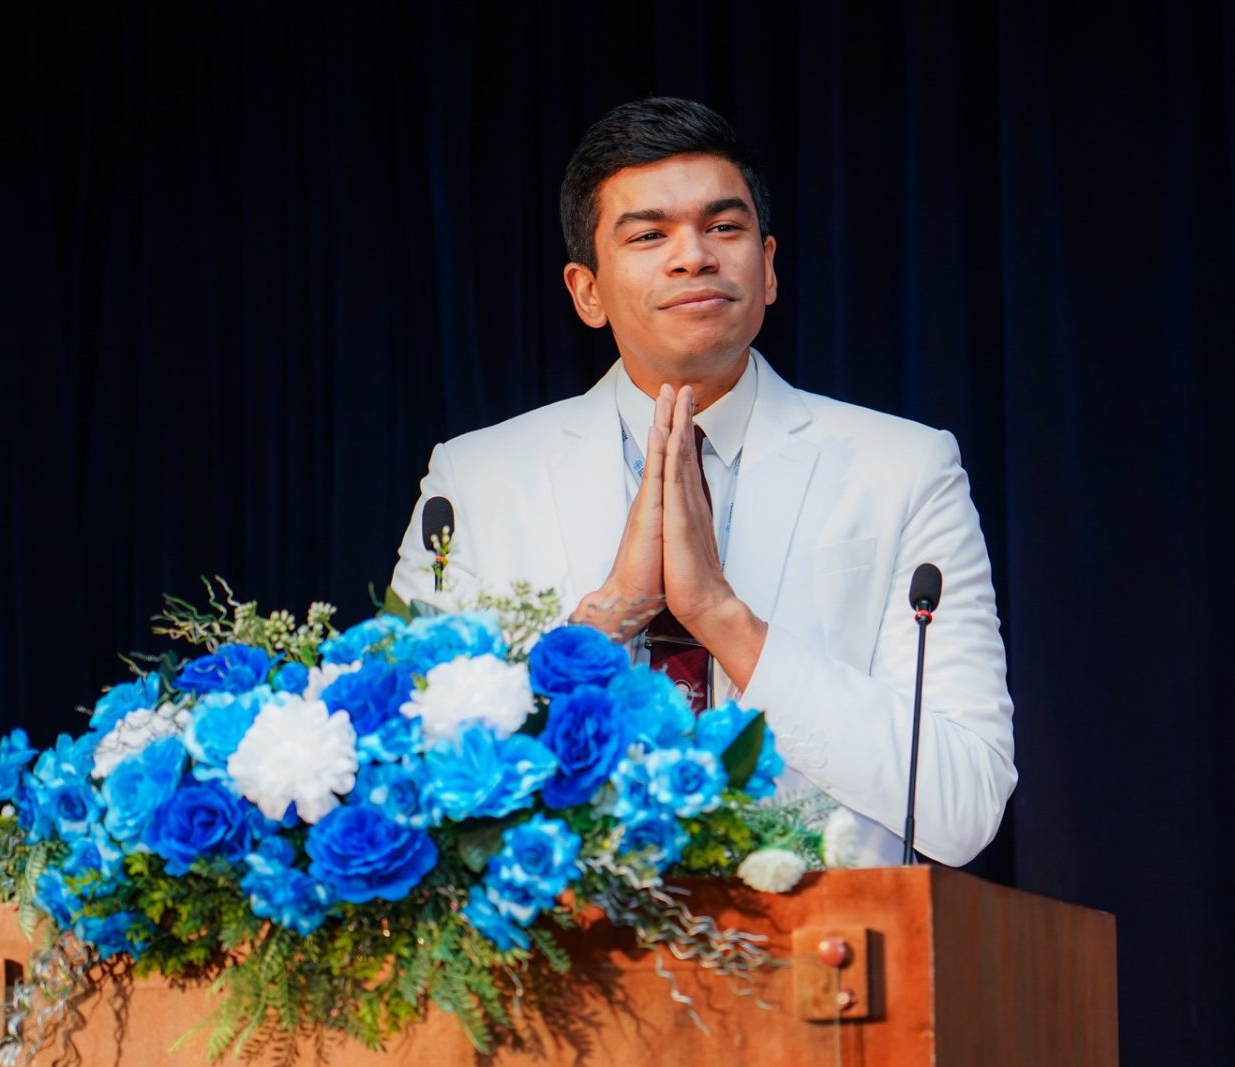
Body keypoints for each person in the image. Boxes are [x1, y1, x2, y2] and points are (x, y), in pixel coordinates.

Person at [392, 98, 1014, 867]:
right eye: (650, 235)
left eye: (724, 227)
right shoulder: (476, 480)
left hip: (824, 958)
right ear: (586, 290)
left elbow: (964, 802)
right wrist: (607, 620)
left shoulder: (904, 470)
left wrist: (724, 620)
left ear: (769, 267)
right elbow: (408, 779)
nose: (694, 256)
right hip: (560, 958)